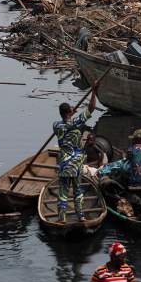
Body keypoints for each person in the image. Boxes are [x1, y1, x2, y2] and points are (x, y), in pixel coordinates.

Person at [53, 82, 98, 222]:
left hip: (64, 163)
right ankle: (81, 216)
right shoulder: (76, 122)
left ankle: (62, 217)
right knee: (78, 190)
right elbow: (91, 108)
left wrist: (71, 113)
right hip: (76, 163)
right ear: (70, 112)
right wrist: (94, 91)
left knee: (63, 191)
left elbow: (65, 122)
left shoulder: (56, 125)